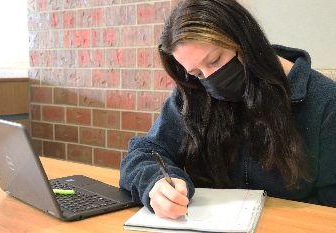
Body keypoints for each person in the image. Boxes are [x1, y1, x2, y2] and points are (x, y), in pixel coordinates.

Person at [119, 0, 336, 219]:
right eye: (198, 73)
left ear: (244, 38)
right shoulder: (195, 94)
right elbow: (145, 151)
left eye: (215, 60)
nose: (210, 79)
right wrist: (156, 183)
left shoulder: (325, 101)